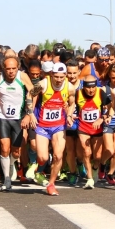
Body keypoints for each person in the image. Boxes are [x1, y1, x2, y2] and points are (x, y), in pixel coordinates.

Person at [0, 57, 37, 191]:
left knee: (16, 152)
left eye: (13, 68)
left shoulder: (22, 76)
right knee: (5, 148)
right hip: (3, 117)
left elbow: (34, 91)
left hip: (18, 117)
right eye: (8, 69)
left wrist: (30, 113)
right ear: (3, 69)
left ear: (18, 68)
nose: (11, 71)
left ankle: (11, 164)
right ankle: (6, 178)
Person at [33, 63, 75, 196]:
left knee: (58, 155)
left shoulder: (70, 87)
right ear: (51, 74)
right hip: (43, 126)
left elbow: (72, 103)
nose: (58, 80)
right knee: (43, 157)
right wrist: (30, 114)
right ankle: (38, 167)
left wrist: (69, 115)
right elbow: (30, 95)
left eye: (61, 77)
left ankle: (51, 184)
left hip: (59, 125)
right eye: (56, 76)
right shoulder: (43, 84)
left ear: (65, 76)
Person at [75, 75, 111, 189]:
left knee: (97, 156)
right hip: (83, 127)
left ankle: (95, 168)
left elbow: (111, 106)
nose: (91, 90)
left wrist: (103, 117)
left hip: (97, 128)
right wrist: (70, 115)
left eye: (93, 87)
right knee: (86, 152)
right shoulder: (78, 94)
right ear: (84, 87)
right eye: (88, 88)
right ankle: (90, 179)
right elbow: (71, 106)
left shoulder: (100, 93)